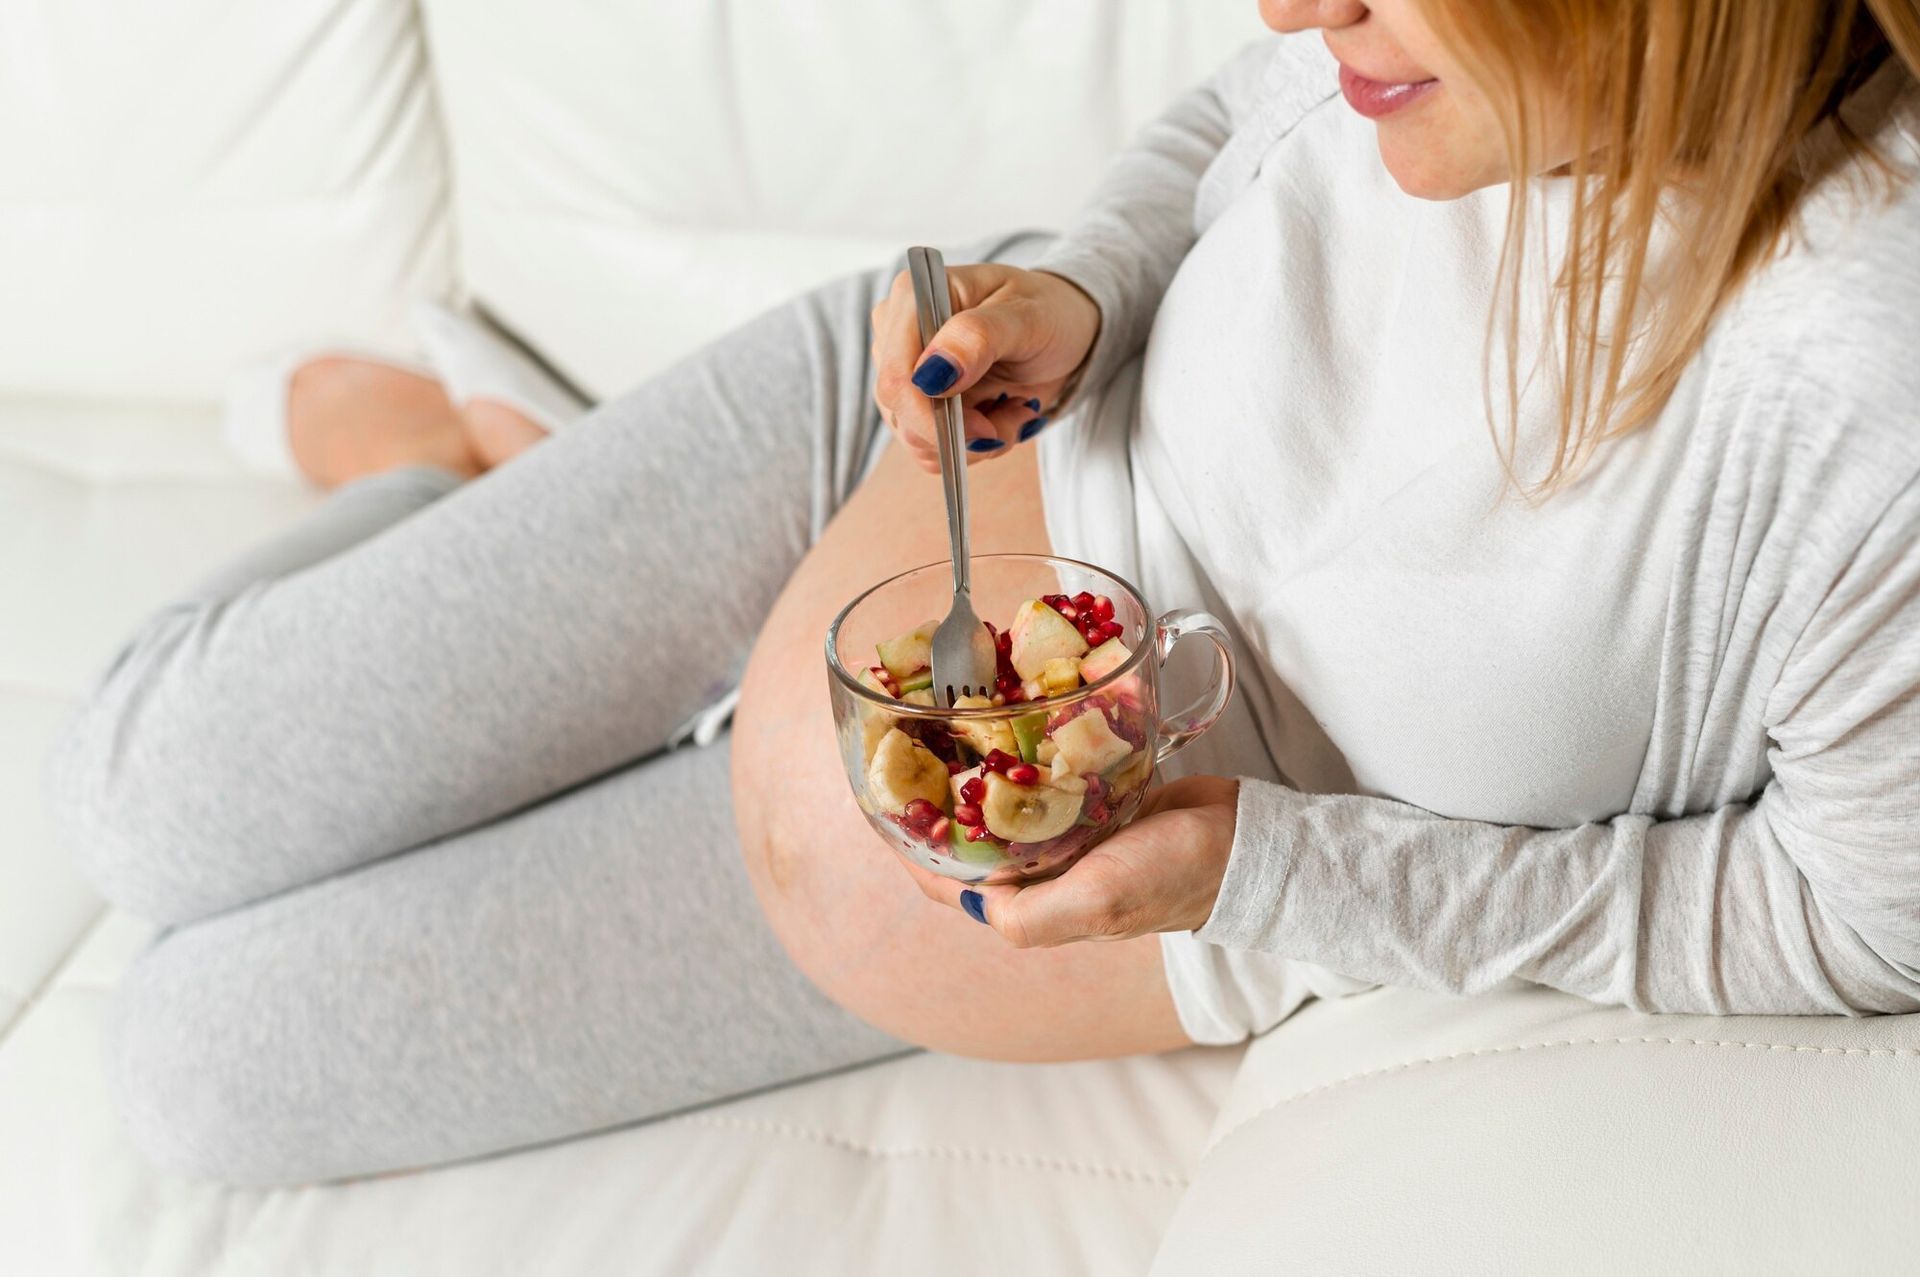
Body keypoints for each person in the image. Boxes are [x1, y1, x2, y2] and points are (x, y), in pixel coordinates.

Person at [45, 0, 1920, 1186]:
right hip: (886, 444)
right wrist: (1087, 287)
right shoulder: (1394, 45)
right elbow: (1241, 108)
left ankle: (500, 458)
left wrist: (1277, 871)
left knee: (192, 1069)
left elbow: (1853, 923)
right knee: (130, 783)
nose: (1298, 5)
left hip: (1014, 881)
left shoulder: (1863, 393)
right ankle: (427, 456)